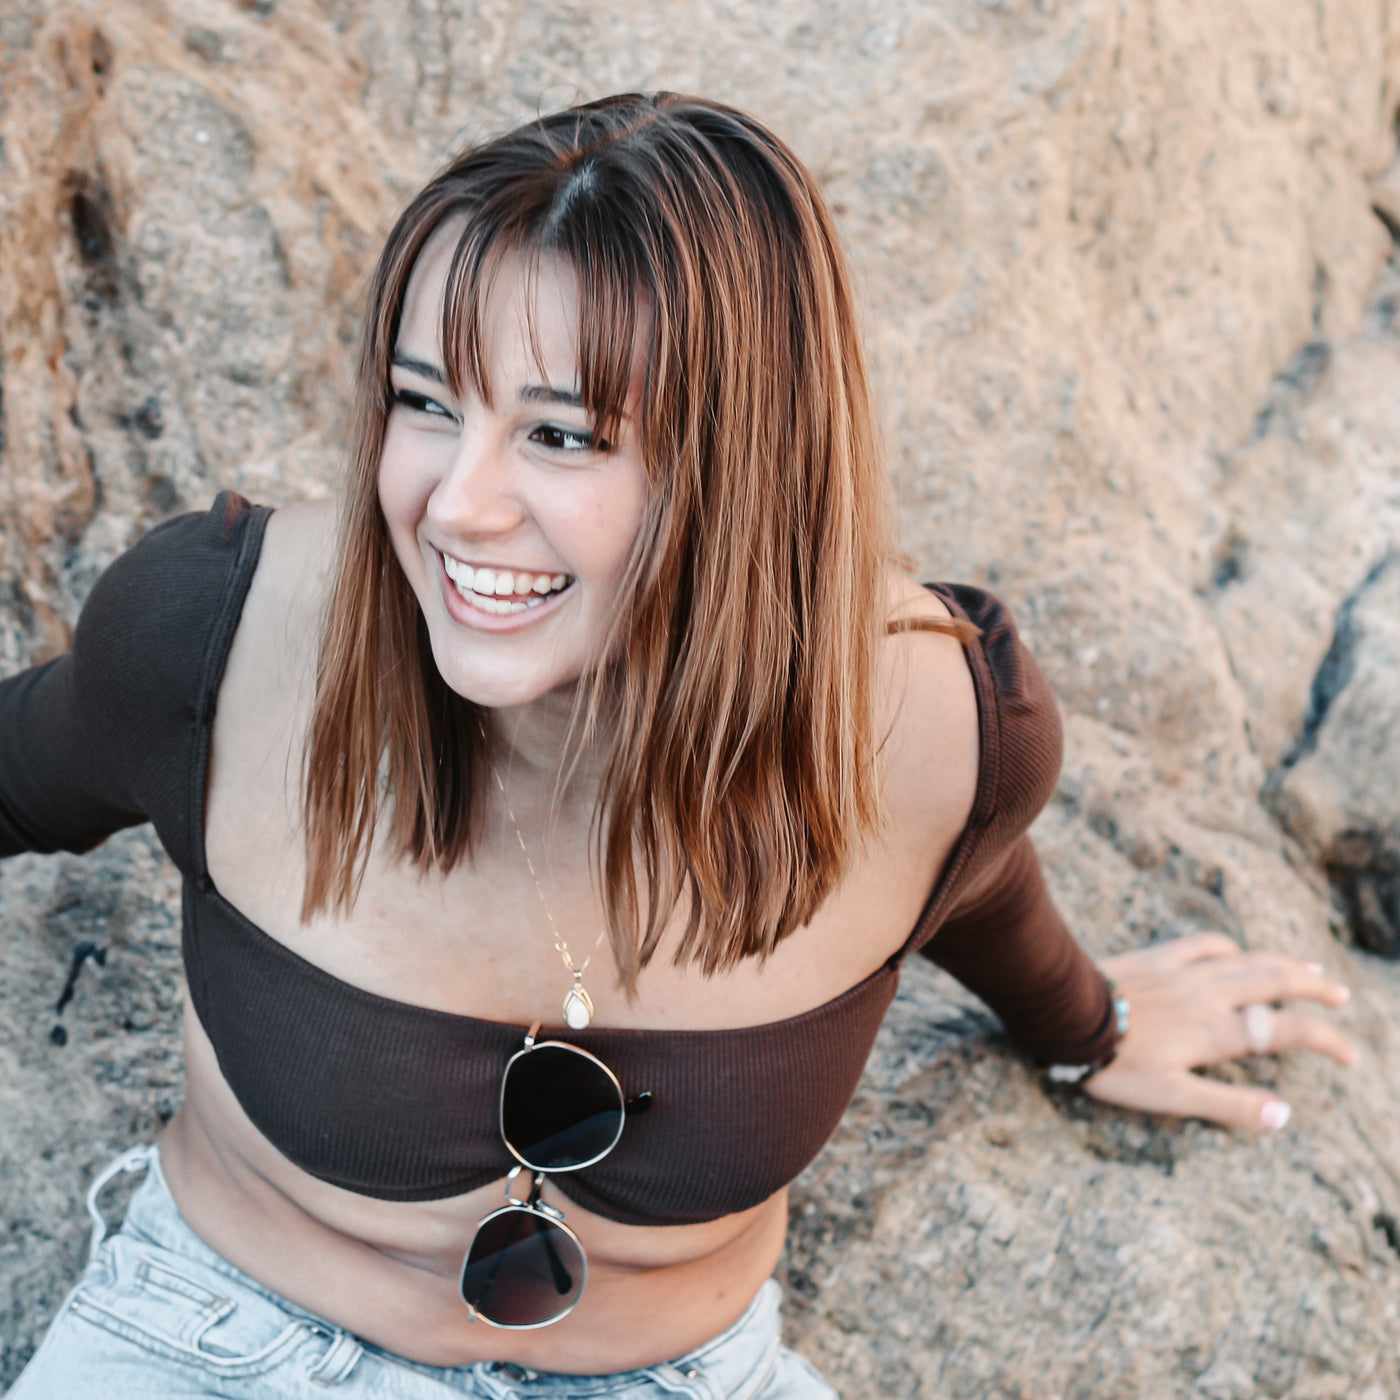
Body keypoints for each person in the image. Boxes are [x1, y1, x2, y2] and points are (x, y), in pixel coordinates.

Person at [1, 92, 1355, 1399]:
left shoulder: (937, 725)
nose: (455, 504)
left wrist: (1088, 1021)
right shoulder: (217, 644)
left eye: (560, 433)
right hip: (220, 1348)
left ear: (746, 462)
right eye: (424, 403)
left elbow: (974, 878)